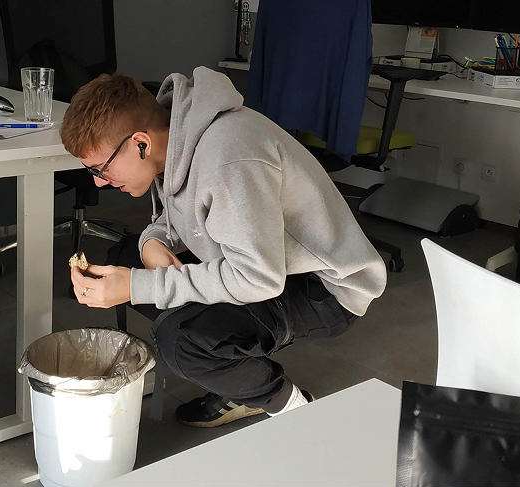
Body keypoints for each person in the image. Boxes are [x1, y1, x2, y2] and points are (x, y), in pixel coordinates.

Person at [60, 67, 386, 427]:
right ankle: (230, 365)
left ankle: (288, 407)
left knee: (181, 340)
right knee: (125, 256)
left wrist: (137, 286)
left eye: (101, 168)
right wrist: (154, 241)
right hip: (263, 259)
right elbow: (182, 213)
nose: (100, 182)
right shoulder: (177, 138)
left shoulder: (228, 157)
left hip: (322, 284)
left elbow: (259, 278)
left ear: (141, 143)